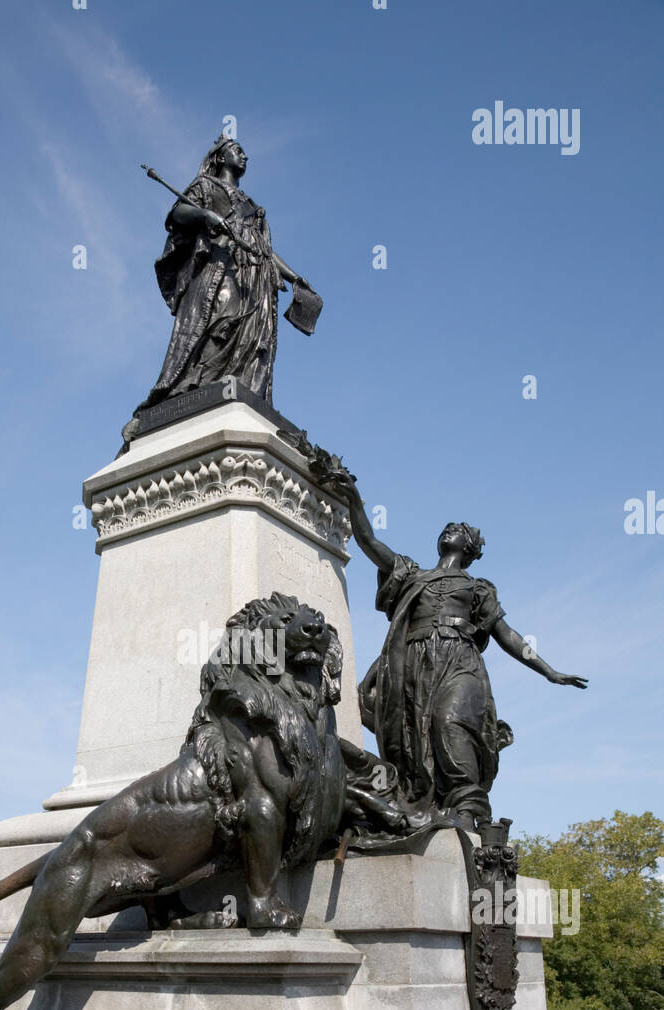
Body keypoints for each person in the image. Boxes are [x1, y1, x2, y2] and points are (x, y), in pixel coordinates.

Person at [330, 474, 588, 829]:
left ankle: (469, 808)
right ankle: (429, 803)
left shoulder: (476, 588)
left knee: (449, 724)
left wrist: (548, 670)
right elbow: (369, 540)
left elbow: (506, 633)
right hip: (415, 662)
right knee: (415, 738)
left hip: (460, 661)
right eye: (448, 527)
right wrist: (354, 497)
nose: (449, 529)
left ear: (470, 548)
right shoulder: (412, 575)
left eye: (458, 529)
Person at [140, 136, 312, 410]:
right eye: (238, 151)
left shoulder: (252, 206)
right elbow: (178, 214)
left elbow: (264, 249)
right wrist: (205, 216)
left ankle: (237, 385)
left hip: (254, 279)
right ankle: (197, 382)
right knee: (221, 321)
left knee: (252, 339)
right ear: (220, 157)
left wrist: (293, 277)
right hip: (220, 269)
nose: (245, 157)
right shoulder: (205, 186)